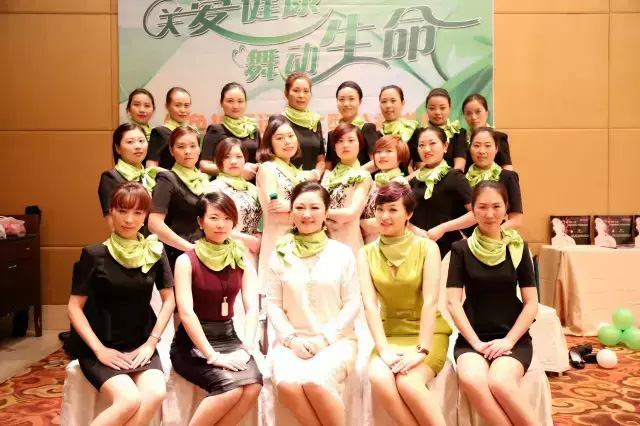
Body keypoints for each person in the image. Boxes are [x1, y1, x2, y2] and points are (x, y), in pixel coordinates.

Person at [67, 182, 175, 425]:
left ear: (146, 216)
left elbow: (169, 300)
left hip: (140, 344)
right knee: (128, 400)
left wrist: (151, 343)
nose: (129, 219)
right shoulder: (94, 254)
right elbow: (74, 306)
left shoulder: (154, 251)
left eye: (137, 212)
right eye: (122, 211)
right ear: (111, 212)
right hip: (101, 345)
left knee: (155, 393)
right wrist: (99, 350)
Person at [265, 182, 361, 426]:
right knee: (287, 385)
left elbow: (352, 303)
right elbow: (273, 304)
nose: (307, 214)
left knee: (315, 382)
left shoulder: (342, 253)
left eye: (314, 208)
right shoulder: (280, 253)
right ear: (291, 213)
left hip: (336, 341)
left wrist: (324, 339)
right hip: (291, 343)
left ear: (326, 213)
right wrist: (291, 340)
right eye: (300, 208)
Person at [359, 181, 452, 426]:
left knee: (409, 382)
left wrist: (421, 349)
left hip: (427, 334)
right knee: (379, 378)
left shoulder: (427, 248)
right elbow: (370, 305)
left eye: (393, 210)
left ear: (409, 214)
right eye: (380, 209)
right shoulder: (366, 253)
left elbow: (430, 301)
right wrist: (384, 349)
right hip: (389, 333)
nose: (384, 216)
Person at [446, 180, 538, 426]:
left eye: (496, 206)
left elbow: (531, 303)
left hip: (512, 336)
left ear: (506, 209)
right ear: (473, 211)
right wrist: (476, 342)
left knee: (500, 382)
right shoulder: (461, 249)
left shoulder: (518, 247)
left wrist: (509, 340)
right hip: (472, 338)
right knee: (472, 380)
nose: (489, 214)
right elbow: (453, 303)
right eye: (482, 207)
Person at [171, 191, 263, 426]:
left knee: (253, 386)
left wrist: (246, 347)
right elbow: (186, 313)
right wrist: (212, 356)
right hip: (192, 343)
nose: (221, 224)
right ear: (200, 222)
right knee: (230, 389)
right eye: (213, 218)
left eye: (227, 218)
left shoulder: (240, 257)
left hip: (228, 337)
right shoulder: (186, 260)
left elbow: (252, 307)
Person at [149, 126, 209, 269]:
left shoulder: (205, 180)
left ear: (199, 149)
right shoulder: (167, 179)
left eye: (193, 146)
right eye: (181, 147)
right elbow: (154, 223)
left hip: (204, 252)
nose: (187, 151)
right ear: (171, 151)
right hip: (176, 255)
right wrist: (189, 248)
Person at [409, 127, 476, 256]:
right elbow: (404, 217)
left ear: (445, 146)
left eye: (432, 143)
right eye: (421, 145)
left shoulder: (455, 177)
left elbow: (476, 213)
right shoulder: (414, 181)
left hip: (449, 250)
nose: (426, 149)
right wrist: (415, 230)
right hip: (418, 247)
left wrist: (443, 228)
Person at [255, 115, 306, 285]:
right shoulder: (268, 168)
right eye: (279, 138)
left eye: (291, 136)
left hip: (300, 240)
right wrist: (306, 216)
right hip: (277, 242)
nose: (287, 142)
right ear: (269, 143)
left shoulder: (296, 172)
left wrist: (291, 207)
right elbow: (275, 208)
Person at [206, 137, 262, 269]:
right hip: (225, 253)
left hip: (253, 253)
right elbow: (212, 227)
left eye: (238, 156)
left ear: (245, 159)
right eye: (227, 157)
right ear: (219, 160)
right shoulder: (214, 188)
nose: (233, 161)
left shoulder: (253, 189)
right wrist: (248, 240)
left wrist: (259, 235)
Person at [321, 124, 372, 255]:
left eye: (351, 140)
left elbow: (351, 213)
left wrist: (321, 212)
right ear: (334, 147)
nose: (345, 145)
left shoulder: (362, 176)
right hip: (324, 242)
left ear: (360, 144)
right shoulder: (327, 176)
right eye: (340, 141)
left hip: (349, 242)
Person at [99, 123, 157, 232]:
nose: (138, 146)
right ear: (118, 148)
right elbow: (113, 226)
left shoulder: (151, 176)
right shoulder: (111, 177)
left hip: (156, 240)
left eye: (141, 141)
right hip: (130, 241)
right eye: (130, 142)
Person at [466, 127, 523, 231]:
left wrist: (492, 234)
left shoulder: (508, 177)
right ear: (470, 148)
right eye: (476, 145)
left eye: (488, 146)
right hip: (466, 237)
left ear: (496, 149)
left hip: (499, 236)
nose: (482, 151)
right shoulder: (462, 178)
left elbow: (516, 220)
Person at [200, 83, 261, 180]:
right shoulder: (215, 130)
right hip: (225, 185)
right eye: (230, 101)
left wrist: (258, 167)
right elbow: (204, 165)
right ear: (221, 103)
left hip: (252, 185)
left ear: (245, 103)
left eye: (240, 101)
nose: (235, 106)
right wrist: (235, 171)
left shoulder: (252, 130)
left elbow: (261, 160)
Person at [360, 135, 411, 244]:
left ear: (400, 155)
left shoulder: (400, 182)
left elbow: (389, 218)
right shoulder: (374, 182)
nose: (382, 155)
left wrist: (358, 223)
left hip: (389, 243)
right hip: (368, 243)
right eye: (378, 151)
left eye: (389, 151)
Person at [326, 81, 380, 172]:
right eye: (341, 99)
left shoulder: (367, 128)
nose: (346, 104)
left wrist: (353, 175)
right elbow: (329, 165)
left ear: (360, 101)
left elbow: (376, 161)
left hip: (363, 179)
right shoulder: (333, 133)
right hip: (336, 180)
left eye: (351, 99)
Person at [283, 72, 325, 179]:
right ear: (286, 93)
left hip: (314, 181)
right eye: (296, 90)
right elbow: (272, 158)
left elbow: (321, 156)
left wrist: (316, 174)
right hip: (288, 181)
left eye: (306, 91)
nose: (301, 95)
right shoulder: (279, 121)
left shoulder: (314, 121)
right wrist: (298, 177)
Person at [147, 87, 197, 169]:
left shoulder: (192, 133)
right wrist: (171, 175)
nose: (183, 110)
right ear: (167, 106)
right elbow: (150, 166)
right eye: (178, 105)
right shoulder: (160, 133)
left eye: (186, 106)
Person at [462, 93, 513, 171]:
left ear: (486, 112)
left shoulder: (498, 137)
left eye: (478, 112)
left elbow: (507, 168)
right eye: (468, 113)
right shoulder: (461, 139)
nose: (473, 117)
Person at [423, 88, 467, 170]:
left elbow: (459, 166)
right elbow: (421, 167)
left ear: (449, 108)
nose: (437, 112)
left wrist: (449, 177)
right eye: (432, 108)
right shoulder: (419, 133)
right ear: (426, 109)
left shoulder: (458, 133)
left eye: (442, 108)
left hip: (453, 177)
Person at [379, 85, 419, 171]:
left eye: (393, 101)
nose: (388, 105)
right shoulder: (376, 133)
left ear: (402, 103)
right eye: (384, 101)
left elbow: (421, 167)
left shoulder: (411, 130)